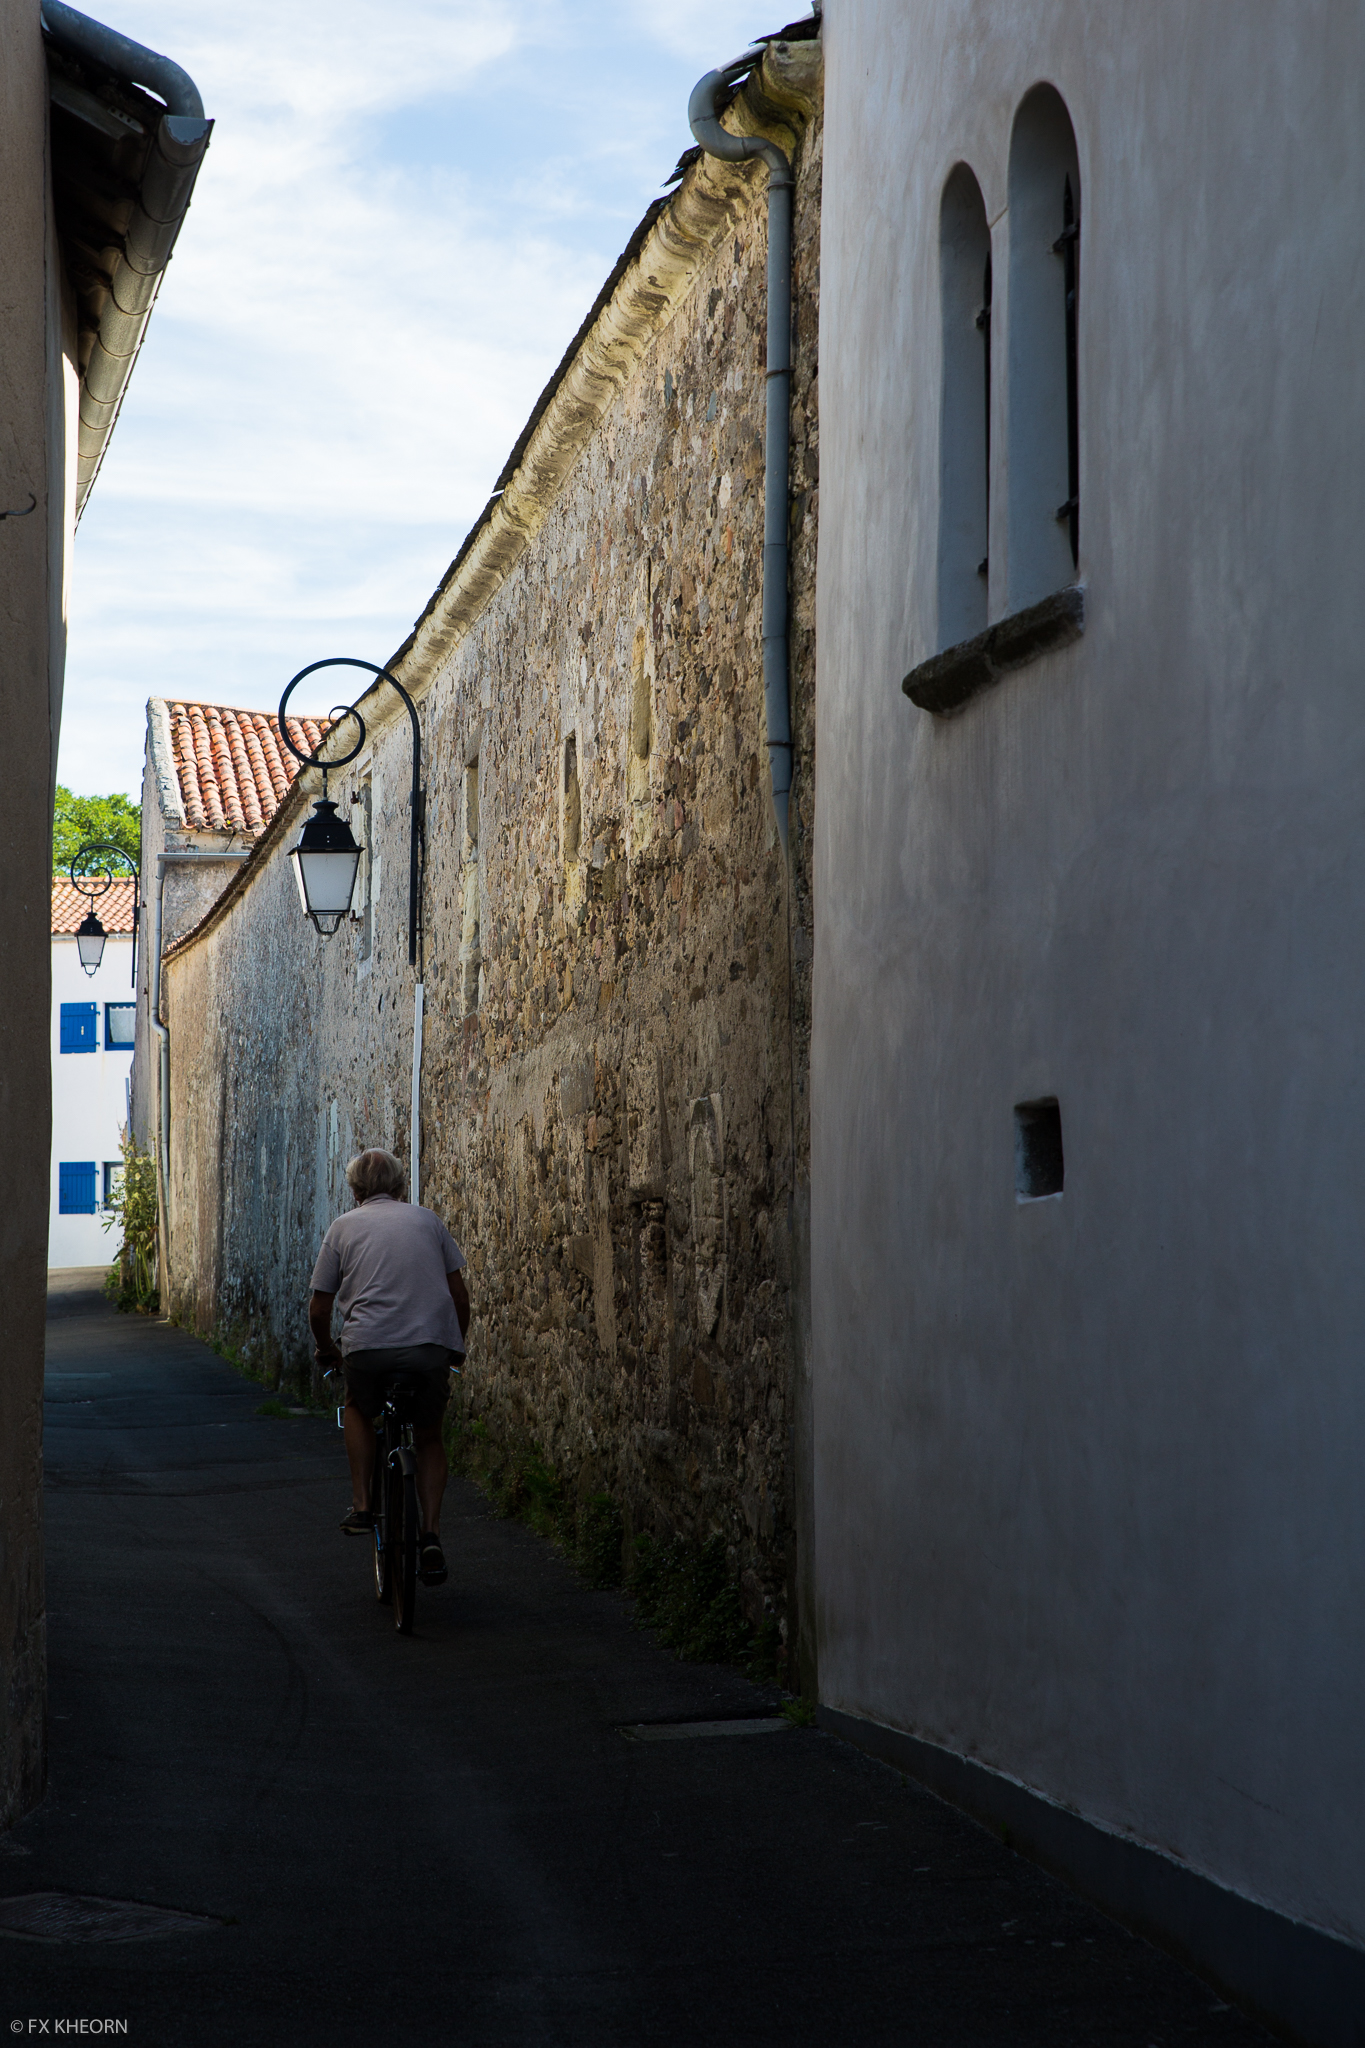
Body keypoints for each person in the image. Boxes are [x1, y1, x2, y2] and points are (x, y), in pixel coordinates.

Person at [308, 1147, 470, 1586]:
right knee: (429, 1434)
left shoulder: (342, 1228)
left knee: (358, 1407)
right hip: (429, 1348)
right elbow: (459, 1296)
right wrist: (455, 1345)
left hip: (368, 1350)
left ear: (355, 1190)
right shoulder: (428, 1221)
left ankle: (363, 1504)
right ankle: (430, 1533)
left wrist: (326, 1349)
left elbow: (320, 1308)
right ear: (400, 1185)